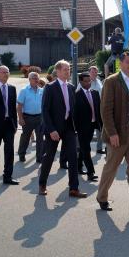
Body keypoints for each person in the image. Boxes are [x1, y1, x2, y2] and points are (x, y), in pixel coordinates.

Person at [96, 51, 129, 217]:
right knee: (111, 167)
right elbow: (105, 110)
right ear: (121, 63)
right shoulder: (111, 81)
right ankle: (102, 196)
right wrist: (112, 133)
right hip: (118, 133)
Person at [37, 60, 85, 197]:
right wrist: (51, 130)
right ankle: (42, 184)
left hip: (68, 127)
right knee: (49, 157)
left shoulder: (71, 87)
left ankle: (74, 188)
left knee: (73, 156)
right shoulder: (50, 87)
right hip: (54, 129)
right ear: (57, 71)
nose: (67, 71)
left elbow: (73, 109)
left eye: (68, 69)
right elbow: (45, 110)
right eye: (65, 69)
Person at [74, 72, 101, 182]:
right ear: (80, 82)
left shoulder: (95, 93)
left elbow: (98, 110)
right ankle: (90, 172)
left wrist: (101, 125)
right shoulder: (76, 95)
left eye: (89, 81)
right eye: (86, 81)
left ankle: (78, 166)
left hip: (92, 125)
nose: (88, 83)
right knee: (86, 149)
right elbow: (75, 114)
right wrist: (75, 129)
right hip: (81, 127)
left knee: (84, 148)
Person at [17, 72, 44, 163]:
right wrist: (20, 118)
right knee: (26, 137)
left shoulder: (42, 90)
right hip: (27, 117)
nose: (36, 80)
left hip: (39, 118)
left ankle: (39, 157)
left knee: (40, 138)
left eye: (37, 78)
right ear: (29, 79)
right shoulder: (24, 90)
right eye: (34, 78)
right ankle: (21, 154)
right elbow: (19, 105)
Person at [88, 66, 106, 154]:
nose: (94, 74)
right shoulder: (85, 82)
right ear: (89, 73)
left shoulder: (99, 81)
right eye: (92, 72)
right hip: (89, 109)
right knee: (89, 130)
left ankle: (99, 148)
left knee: (100, 129)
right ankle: (84, 147)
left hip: (99, 108)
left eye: (96, 72)